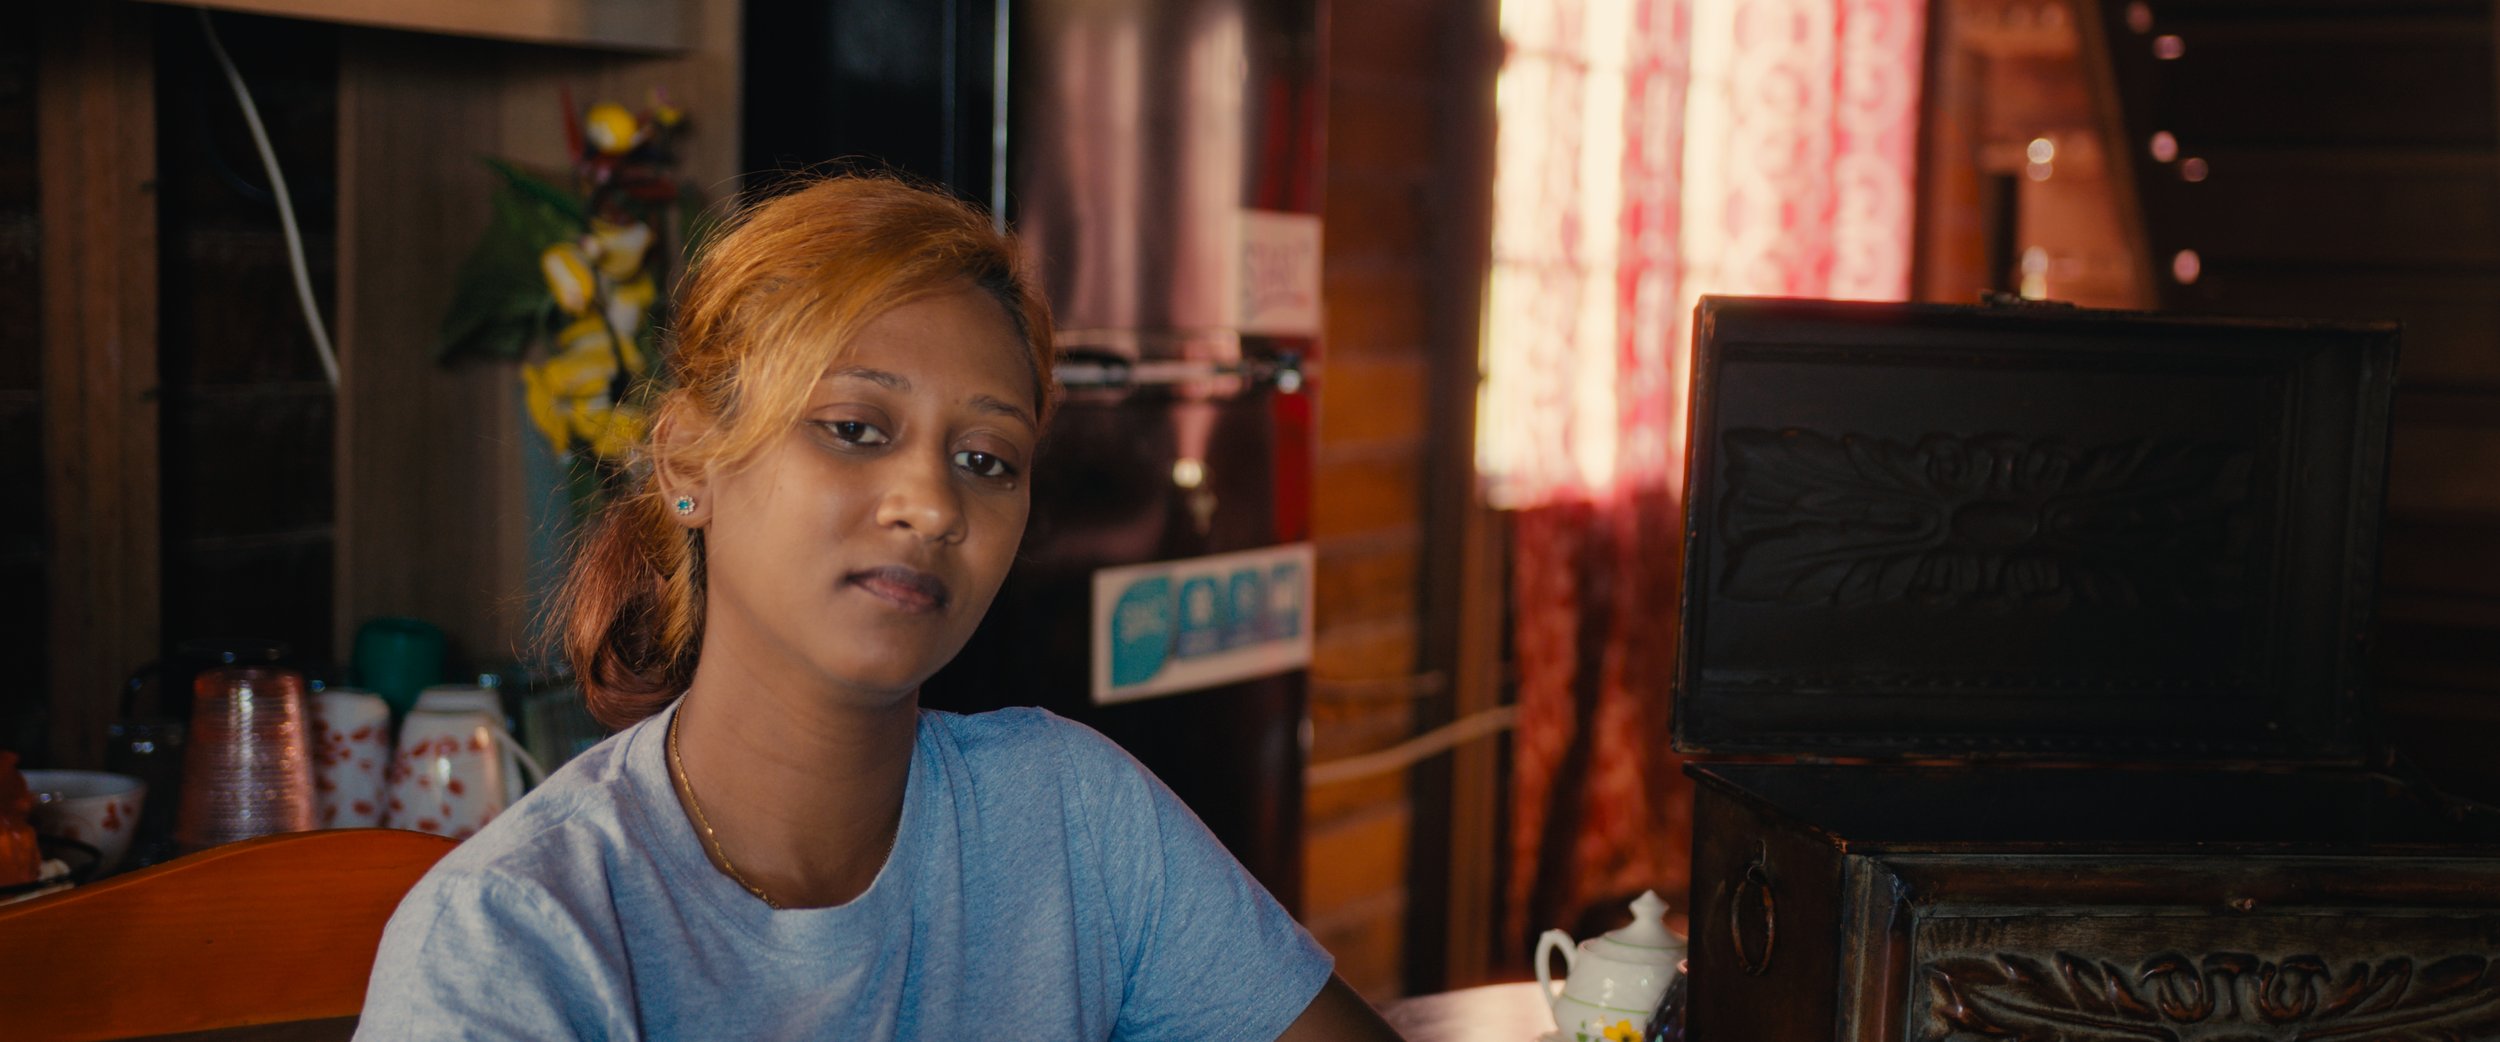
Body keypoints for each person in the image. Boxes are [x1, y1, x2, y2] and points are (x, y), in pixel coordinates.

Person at [356, 176, 1403, 1041]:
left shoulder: (1074, 820)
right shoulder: (515, 935)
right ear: (688, 462)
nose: (932, 505)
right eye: (854, 427)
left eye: (985, 458)